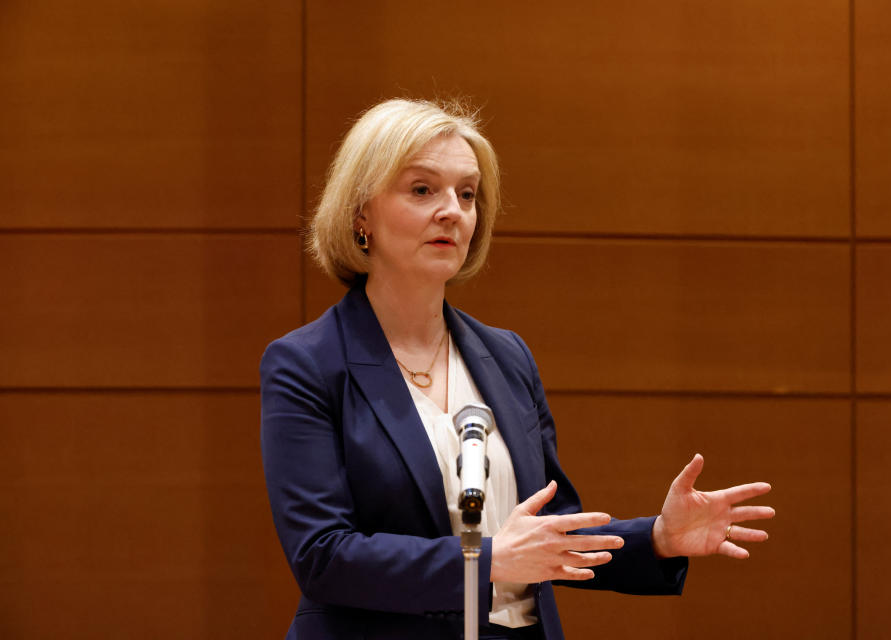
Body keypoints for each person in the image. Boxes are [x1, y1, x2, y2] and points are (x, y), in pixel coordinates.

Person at [260, 98, 775, 640]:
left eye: (466, 194)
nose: (452, 211)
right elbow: (321, 557)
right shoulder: (309, 365)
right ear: (360, 212)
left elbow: (550, 534)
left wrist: (660, 538)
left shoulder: (505, 357)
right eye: (422, 190)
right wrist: (483, 563)